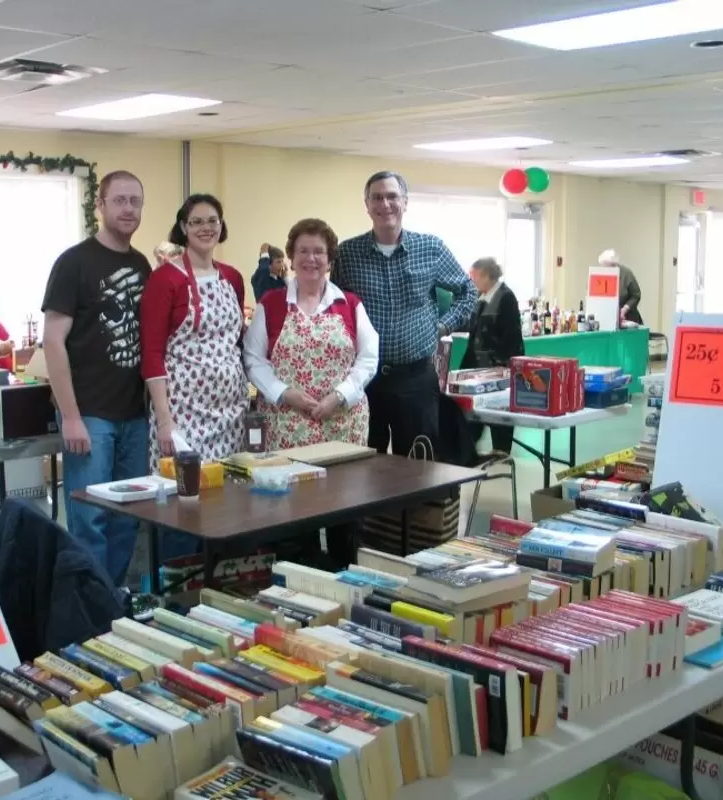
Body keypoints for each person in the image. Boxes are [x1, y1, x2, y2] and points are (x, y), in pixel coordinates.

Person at [244, 218, 378, 568]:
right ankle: (297, 586)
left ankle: (345, 579)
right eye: (303, 250)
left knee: (345, 512)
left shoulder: (349, 304)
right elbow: (254, 360)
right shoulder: (271, 305)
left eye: (319, 251)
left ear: (330, 259)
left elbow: (368, 358)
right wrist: (283, 392)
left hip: (343, 426)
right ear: (291, 256)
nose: (311, 258)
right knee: (292, 513)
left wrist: (341, 395)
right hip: (288, 426)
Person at [42, 170, 151, 586]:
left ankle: (112, 601)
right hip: (90, 416)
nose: (128, 209)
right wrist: (70, 416)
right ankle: (87, 607)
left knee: (128, 520)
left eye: (135, 201)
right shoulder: (74, 263)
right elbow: (54, 342)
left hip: (134, 417)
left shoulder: (141, 264)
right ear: (100, 206)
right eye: (119, 200)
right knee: (90, 520)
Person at [335, 170, 476, 456]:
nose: (385, 204)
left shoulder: (431, 248)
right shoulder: (347, 254)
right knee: (363, 462)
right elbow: (333, 305)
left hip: (415, 379)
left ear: (405, 202)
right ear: (367, 205)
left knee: (416, 464)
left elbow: (468, 292)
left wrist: (442, 327)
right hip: (364, 378)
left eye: (392, 196)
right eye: (377, 197)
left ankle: (413, 504)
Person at [141, 194, 247, 472]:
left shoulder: (232, 278)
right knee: (184, 494)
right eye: (196, 221)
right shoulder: (164, 279)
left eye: (213, 221)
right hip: (183, 412)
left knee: (231, 496)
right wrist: (164, 420)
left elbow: (236, 342)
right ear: (183, 227)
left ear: (222, 226)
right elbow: (152, 353)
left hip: (232, 411)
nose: (206, 228)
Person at [460, 257, 524, 459]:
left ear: (487, 275)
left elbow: (511, 336)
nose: (473, 281)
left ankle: (502, 451)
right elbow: (474, 335)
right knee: (474, 412)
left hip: (498, 367)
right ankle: (469, 449)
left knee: (500, 411)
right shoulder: (481, 298)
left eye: (475, 276)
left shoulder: (506, 297)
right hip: (479, 369)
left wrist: (502, 365)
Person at [598, 249, 643, 324]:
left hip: (629, 319)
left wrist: (624, 309)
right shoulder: (602, 274)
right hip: (609, 318)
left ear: (615, 265)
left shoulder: (626, 273)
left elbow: (636, 295)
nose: (605, 269)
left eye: (607, 266)